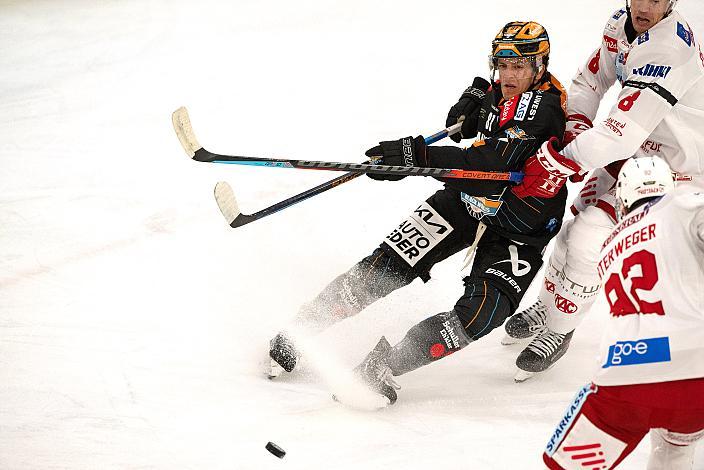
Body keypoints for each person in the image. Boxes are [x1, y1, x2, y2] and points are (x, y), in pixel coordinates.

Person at [268, 21, 567, 403]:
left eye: (519, 66)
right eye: (502, 64)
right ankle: (301, 329)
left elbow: (491, 167)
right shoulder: (502, 89)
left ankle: (383, 366)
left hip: (518, 226)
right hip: (466, 202)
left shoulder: (544, 108)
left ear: (540, 65)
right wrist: (471, 100)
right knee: (387, 266)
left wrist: (418, 157)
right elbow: (477, 112)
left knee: (482, 315)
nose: (508, 75)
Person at [502, 0, 704, 381]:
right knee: (571, 226)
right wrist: (576, 127)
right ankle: (549, 307)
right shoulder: (620, 24)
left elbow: (621, 130)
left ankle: (560, 330)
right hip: (634, 149)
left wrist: (562, 160)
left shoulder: (669, 49)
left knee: (590, 237)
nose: (645, 6)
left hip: (676, 167)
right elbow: (590, 81)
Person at [543, 155, 704, 470]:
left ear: (622, 199)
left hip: (624, 374)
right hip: (695, 370)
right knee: (674, 447)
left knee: (564, 465)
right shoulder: (686, 206)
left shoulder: (608, 244)